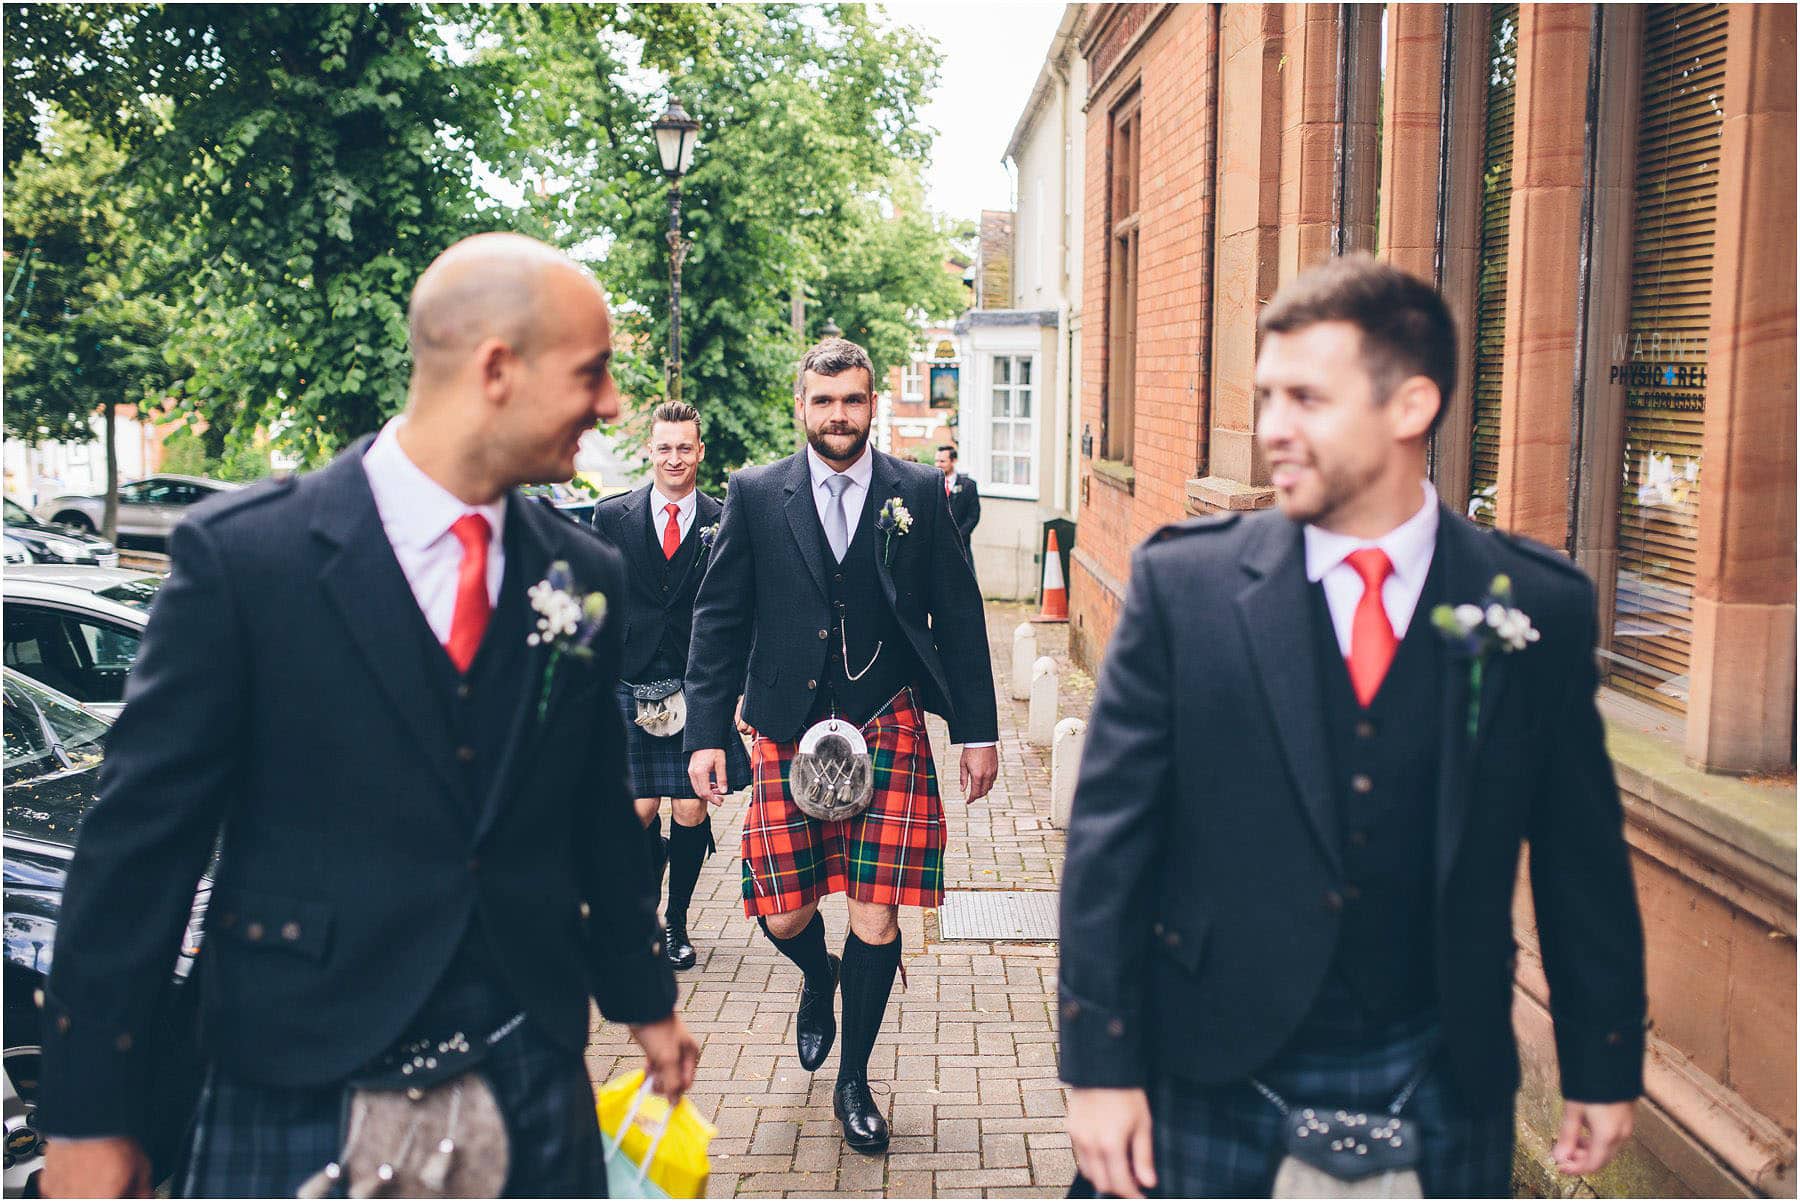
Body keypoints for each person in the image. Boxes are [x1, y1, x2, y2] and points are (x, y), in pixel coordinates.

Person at [37, 232, 699, 1199]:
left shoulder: (581, 575)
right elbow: (137, 852)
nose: (610, 406)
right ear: (497, 369)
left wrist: (645, 1000)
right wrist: (92, 1118)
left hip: (529, 1071)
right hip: (296, 1076)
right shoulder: (247, 562)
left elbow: (596, 822)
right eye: (593, 373)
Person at [1059, 255, 1645, 1198]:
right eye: (1266, 397)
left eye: (1305, 399)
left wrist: (1603, 1056)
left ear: (1410, 406)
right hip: (1214, 1066)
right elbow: (1109, 844)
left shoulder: (1534, 606)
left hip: (1442, 1068)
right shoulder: (1187, 587)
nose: (1270, 430)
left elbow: (1582, 854)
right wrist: (1099, 1063)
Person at [684, 338, 1000, 1155]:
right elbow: (718, 620)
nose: (838, 416)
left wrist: (977, 731)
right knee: (784, 911)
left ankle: (853, 1079)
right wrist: (706, 732)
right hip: (786, 725)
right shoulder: (755, 493)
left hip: (886, 719)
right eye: (824, 402)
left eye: (853, 401)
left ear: (871, 405)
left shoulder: (918, 493)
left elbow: (959, 617)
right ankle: (818, 979)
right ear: (803, 407)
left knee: (875, 909)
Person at [591, 400, 750, 971]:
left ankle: (676, 925)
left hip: (697, 681)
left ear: (700, 451)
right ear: (650, 451)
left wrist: (738, 693)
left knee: (689, 808)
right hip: (627, 679)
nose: (675, 457)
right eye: (665, 447)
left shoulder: (727, 515)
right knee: (636, 809)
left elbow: (742, 608)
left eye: (685, 447)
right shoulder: (612, 517)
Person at [935, 444, 981, 549]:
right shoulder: (931, 484)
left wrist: (958, 537)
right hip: (936, 544)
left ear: (954, 461)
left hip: (961, 544)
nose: (938, 465)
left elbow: (973, 516)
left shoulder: (968, 486)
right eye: (936, 461)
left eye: (942, 461)